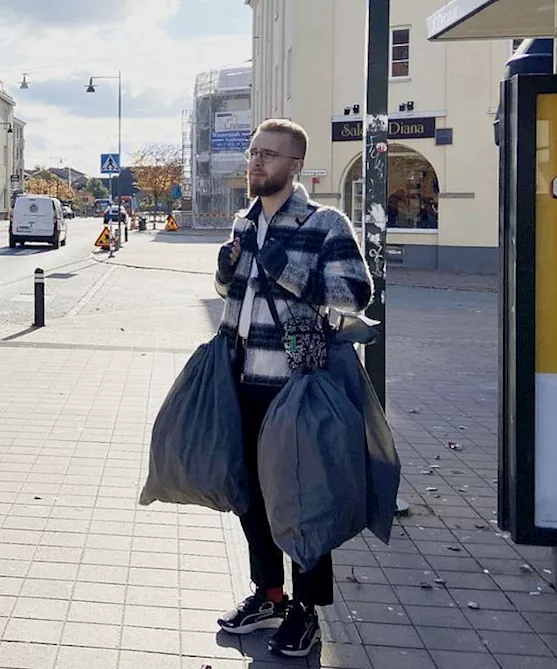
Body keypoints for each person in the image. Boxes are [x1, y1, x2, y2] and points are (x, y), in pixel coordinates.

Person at [213, 119, 373, 657]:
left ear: (295, 165)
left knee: (303, 498)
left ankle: (306, 610)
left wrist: (283, 267)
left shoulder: (324, 222)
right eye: (254, 153)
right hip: (242, 380)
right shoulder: (244, 221)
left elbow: (354, 293)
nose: (256, 163)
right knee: (251, 497)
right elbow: (232, 293)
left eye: (269, 155)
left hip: (296, 386)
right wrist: (224, 270)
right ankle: (270, 593)